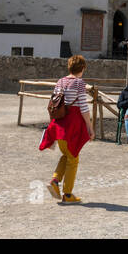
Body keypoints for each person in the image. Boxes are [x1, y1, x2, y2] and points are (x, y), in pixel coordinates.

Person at [40, 55, 94, 203]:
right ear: (82, 68)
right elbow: (83, 107)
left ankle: (55, 180)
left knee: (67, 155)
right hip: (72, 126)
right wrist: (90, 128)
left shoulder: (60, 81)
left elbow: (53, 104)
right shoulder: (79, 83)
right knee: (73, 158)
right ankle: (68, 194)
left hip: (59, 125)